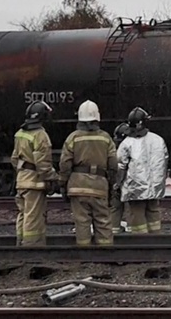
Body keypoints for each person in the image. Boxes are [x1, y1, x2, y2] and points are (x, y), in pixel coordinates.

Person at [58, 100, 117, 246]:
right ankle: (105, 253)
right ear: (97, 118)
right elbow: (114, 164)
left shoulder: (73, 138)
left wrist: (62, 183)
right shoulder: (105, 138)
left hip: (77, 186)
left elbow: (65, 164)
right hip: (99, 186)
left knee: (82, 222)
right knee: (103, 221)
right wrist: (111, 182)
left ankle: (85, 256)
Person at [9, 101, 59, 246]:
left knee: (23, 215)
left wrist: (22, 173)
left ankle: (20, 243)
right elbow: (43, 165)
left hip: (22, 182)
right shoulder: (40, 135)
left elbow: (14, 159)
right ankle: (32, 249)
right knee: (33, 217)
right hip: (34, 184)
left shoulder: (19, 134)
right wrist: (54, 178)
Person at [117, 106, 168, 234]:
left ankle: (141, 242)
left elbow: (120, 167)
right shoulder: (158, 140)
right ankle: (156, 239)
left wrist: (116, 184)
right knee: (153, 212)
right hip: (155, 186)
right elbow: (164, 162)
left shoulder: (126, 143)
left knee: (136, 214)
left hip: (135, 189)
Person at [109, 122, 130, 234]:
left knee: (116, 207)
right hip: (133, 185)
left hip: (122, 183)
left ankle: (114, 231)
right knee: (132, 210)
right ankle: (132, 232)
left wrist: (116, 183)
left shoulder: (121, 149)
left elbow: (120, 167)